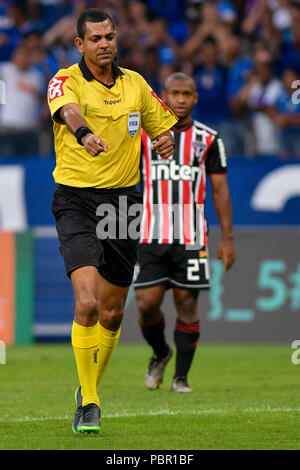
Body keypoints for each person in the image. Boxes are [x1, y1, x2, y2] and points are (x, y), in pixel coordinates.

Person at [47, 8, 177, 434]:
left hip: (123, 203)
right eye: (95, 38)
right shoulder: (65, 80)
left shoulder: (136, 84)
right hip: (77, 201)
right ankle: (90, 402)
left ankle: (87, 393)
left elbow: (162, 126)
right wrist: (85, 135)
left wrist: (164, 140)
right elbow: (69, 114)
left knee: (112, 313)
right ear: (79, 44)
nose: (105, 43)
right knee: (86, 303)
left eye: (109, 36)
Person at [134, 72, 235, 393]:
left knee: (186, 303)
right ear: (163, 96)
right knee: (146, 303)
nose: (179, 99)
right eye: (174, 93)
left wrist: (228, 239)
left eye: (186, 94)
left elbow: (220, 191)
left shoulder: (209, 139)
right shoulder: (142, 136)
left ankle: (181, 378)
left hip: (191, 236)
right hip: (150, 234)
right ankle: (161, 352)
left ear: (195, 98)